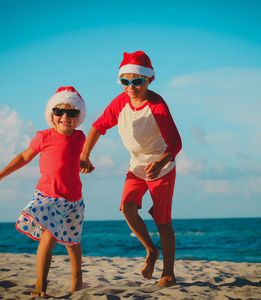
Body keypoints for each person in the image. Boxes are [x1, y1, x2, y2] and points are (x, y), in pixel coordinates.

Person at [80, 51, 182, 287]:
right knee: (127, 207)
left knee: (162, 220)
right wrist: (85, 154)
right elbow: (98, 126)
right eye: (125, 81)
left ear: (149, 80)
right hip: (136, 165)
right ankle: (151, 250)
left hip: (162, 167)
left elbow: (176, 142)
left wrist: (160, 162)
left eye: (137, 81)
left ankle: (168, 273)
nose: (131, 86)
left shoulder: (157, 106)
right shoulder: (119, 103)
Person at [0, 86, 88, 297]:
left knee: (73, 242)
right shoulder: (44, 137)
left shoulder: (80, 138)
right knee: (48, 237)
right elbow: (24, 157)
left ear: (79, 116)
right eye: (59, 111)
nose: (65, 116)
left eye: (72, 112)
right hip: (49, 197)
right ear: (52, 115)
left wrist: (87, 162)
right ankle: (40, 284)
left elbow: (80, 156)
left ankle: (77, 280)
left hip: (73, 200)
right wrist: (1, 174)